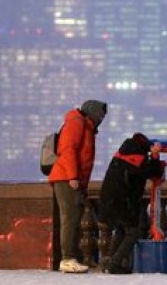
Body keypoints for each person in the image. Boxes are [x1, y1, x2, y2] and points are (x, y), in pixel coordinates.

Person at [48, 99, 107, 273]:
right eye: (100, 113)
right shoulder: (76, 123)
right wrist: (73, 176)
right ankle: (67, 259)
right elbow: (68, 149)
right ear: (92, 112)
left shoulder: (86, 126)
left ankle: (72, 257)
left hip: (72, 178)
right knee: (69, 218)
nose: (102, 117)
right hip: (66, 177)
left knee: (73, 219)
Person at [97, 133, 165, 275]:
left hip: (108, 199)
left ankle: (107, 261)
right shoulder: (137, 158)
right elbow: (155, 171)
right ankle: (114, 264)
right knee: (133, 232)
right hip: (124, 201)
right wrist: (154, 156)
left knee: (122, 229)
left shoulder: (121, 154)